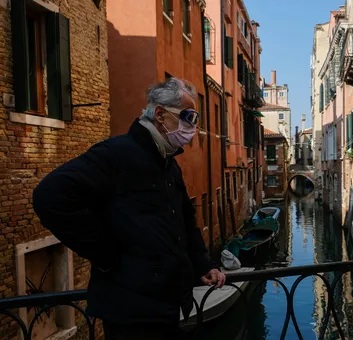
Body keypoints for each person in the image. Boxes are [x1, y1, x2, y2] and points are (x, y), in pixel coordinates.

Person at [33, 78, 226, 339]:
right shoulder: (116, 154)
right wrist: (106, 253)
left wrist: (204, 265)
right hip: (130, 309)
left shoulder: (169, 164)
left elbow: (185, 222)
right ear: (160, 114)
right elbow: (50, 196)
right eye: (189, 117)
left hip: (167, 305)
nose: (192, 127)